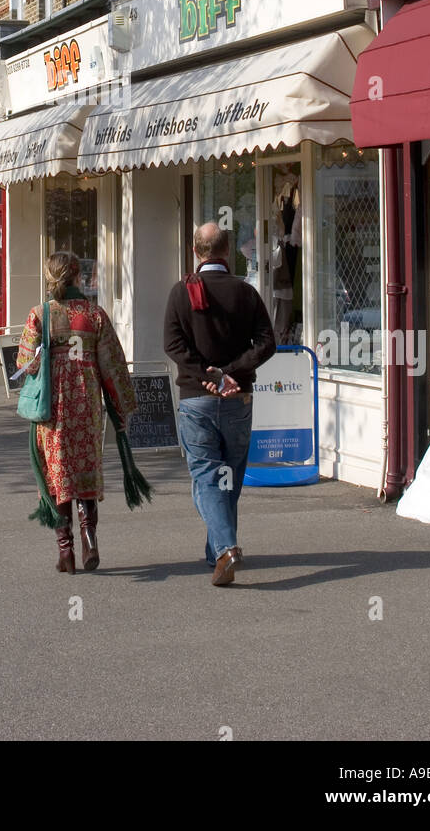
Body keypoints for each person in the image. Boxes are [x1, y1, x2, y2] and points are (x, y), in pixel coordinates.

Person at [164, 222, 275, 588]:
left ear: (197, 252)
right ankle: (218, 551)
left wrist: (207, 375)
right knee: (229, 475)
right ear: (227, 251)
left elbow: (173, 345)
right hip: (238, 397)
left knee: (207, 475)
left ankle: (225, 547)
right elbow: (266, 343)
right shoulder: (245, 292)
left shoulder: (181, 292)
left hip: (197, 399)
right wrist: (230, 372)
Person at [15, 250, 136, 574]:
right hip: (86, 407)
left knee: (59, 477)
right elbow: (113, 364)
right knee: (84, 472)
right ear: (76, 276)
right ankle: (89, 537)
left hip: (53, 410)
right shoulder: (94, 314)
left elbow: (24, 363)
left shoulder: (39, 314)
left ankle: (65, 550)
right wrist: (123, 405)